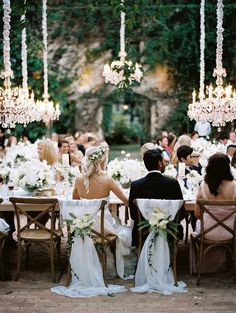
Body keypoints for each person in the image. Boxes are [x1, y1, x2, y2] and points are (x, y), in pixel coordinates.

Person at [73, 143, 133, 279]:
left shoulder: (78, 179)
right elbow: (127, 201)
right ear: (101, 161)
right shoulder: (108, 180)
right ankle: (108, 260)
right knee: (122, 227)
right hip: (104, 226)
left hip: (84, 225)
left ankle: (96, 261)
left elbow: (75, 201)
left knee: (114, 223)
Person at [129, 149, 183, 247]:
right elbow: (181, 213)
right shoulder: (173, 184)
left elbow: (133, 215)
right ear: (159, 163)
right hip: (170, 231)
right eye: (163, 161)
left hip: (143, 231)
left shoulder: (136, 185)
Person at [194, 153, 236, 272]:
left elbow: (197, 215)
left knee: (196, 224)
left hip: (207, 232)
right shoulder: (235, 186)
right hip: (231, 232)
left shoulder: (203, 186)